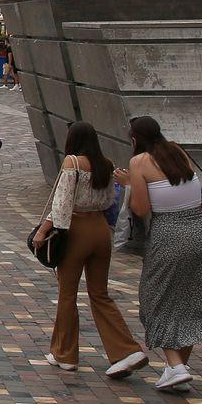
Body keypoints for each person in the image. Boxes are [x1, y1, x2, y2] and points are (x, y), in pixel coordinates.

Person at [32, 122, 147, 379]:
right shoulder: (105, 164)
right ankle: (126, 350)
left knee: (67, 293)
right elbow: (109, 200)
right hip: (100, 231)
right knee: (100, 294)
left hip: (77, 228)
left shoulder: (72, 163)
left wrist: (42, 231)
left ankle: (66, 354)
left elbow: (62, 204)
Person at [123, 115, 202, 393]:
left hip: (169, 233)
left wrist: (129, 185)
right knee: (192, 298)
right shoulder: (177, 150)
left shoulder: (139, 162)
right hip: (201, 231)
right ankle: (175, 371)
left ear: (134, 139)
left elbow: (141, 210)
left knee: (155, 298)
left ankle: (175, 366)